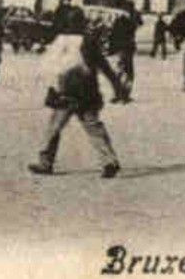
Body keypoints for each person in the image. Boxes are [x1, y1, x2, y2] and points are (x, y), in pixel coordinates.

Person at [29, 29, 122, 178]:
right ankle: (109, 161)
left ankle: (45, 162)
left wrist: (51, 88)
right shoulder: (88, 42)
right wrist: (117, 86)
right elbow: (105, 67)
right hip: (87, 93)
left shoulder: (61, 42)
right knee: (94, 128)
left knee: (54, 128)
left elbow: (50, 67)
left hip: (65, 93)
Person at [108, 0, 139, 102]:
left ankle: (117, 94)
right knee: (129, 72)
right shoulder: (130, 21)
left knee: (119, 71)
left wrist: (112, 49)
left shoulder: (118, 20)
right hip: (127, 49)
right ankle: (125, 94)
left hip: (120, 49)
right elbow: (132, 34)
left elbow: (112, 35)